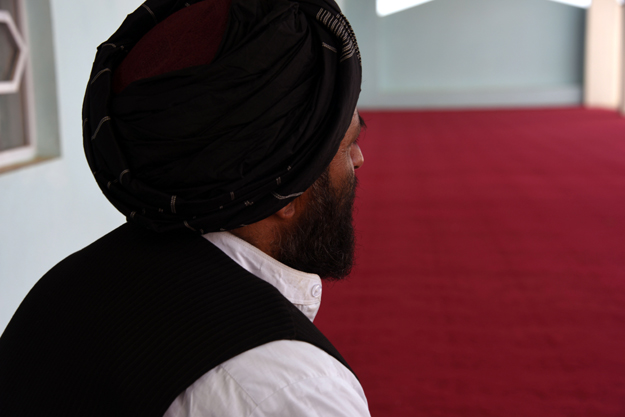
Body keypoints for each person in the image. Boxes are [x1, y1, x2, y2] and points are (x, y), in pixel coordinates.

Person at [0, 0, 369, 415]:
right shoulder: (285, 388)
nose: (358, 161)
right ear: (289, 190)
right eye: (348, 144)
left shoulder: (61, 288)